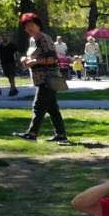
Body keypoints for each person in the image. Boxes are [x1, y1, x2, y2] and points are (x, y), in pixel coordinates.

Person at [11, 13, 69, 144]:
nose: (29, 28)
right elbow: (32, 55)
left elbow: (53, 59)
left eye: (31, 25)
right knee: (52, 108)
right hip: (39, 79)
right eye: (26, 26)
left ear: (38, 25)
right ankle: (61, 135)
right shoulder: (32, 40)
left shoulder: (44, 39)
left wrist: (35, 61)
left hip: (48, 78)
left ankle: (32, 133)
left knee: (38, 106)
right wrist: (25, 59)